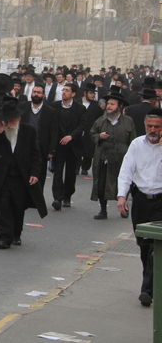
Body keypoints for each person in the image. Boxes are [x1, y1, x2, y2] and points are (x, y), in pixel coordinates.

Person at [0, 97, 47, 249]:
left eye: (11, 120)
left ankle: (16, 234)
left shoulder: (29, 131)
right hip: (3, 176)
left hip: (20, 176)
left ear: (18, 118)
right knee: (2, 205)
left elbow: (36, 155)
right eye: (7, 120)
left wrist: (35, 173)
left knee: (18, 206)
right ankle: (4, 237)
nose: (9, 123)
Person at [117, 108, 162, 308]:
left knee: (155, 246)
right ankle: (150, 280)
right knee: (144, 246)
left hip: (160, 202)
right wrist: (121, 196)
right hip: (141, 201)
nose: (153, 130)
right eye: (149, 126)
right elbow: (126, 170)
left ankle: (147, 289)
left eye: (157, 127)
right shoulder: (136, 145)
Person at [90, 90, 135, 219]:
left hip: (121, 159)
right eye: (108, 104)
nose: (109, 106)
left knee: (123, 184)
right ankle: (103, 210)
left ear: (119, 107)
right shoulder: (101, 121)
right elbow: (92, 134)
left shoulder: (128, 121)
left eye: (112, 104)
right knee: (101, 185)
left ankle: (123, 207)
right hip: (104, 158)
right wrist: (99, 136)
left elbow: (133, 140)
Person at [50, 82, 86, 211]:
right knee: (57, 172)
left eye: (67, 90)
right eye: (63, 90)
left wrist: (71, 136)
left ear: (73, 94)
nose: (64, 92)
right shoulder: (54, 107)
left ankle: (67, 196)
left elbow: (82, 125)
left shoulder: (80, 108)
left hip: (73, 145)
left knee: (71, 173)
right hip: (58, 145)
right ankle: (57, 198)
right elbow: (52, 126)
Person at [19, 85, 59, 189]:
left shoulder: (50, 111)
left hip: (41, 148)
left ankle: (37, 196)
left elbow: (54, 132)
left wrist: (52, 150)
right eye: (34, 92)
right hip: (23, 146)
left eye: (39, 92)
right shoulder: (23, 107)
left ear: (43, 95)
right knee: (22, 174)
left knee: (39, 176)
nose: (36, 94)